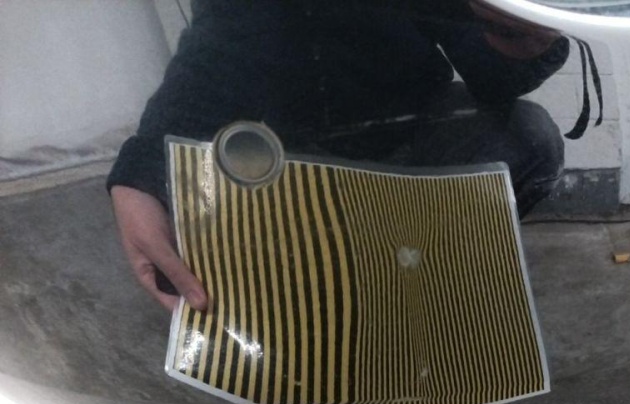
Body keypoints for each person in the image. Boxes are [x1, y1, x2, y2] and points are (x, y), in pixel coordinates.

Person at [109, 0, 569, 312]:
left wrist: (520, 43)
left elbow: (488, 72)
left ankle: (413, 274)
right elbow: (212, 59)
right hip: (294, 152)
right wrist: (144, 173)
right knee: (222, 235)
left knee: (529, 138)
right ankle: (359, 268)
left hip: (414, 126)